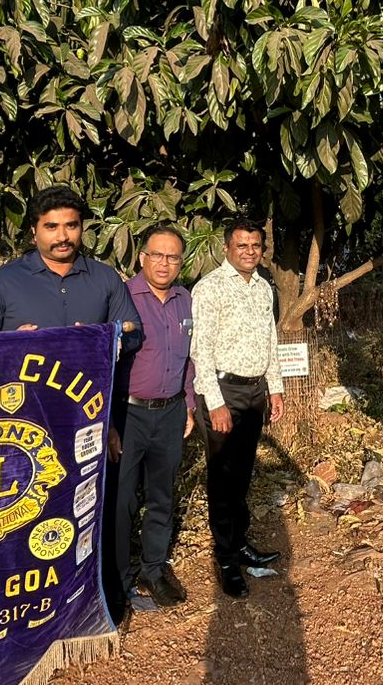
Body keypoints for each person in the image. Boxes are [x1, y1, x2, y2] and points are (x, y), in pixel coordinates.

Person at [190, 218, 285, 599]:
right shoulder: (209, 289)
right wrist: (215, 403)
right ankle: (226, 557)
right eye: (242, 246)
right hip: (223, 390)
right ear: (227, 248)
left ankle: (240, 542)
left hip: (255, 390)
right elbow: (201, 351)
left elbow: (270, 339)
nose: (250, 252)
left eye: (256, 246)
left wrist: (275, 389)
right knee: (223, 477)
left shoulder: (263, 287)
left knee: (243, 473)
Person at [114, 225, 197, 611]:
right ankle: (118, 579)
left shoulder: (185, 300)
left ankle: (153, 568)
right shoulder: (122, 298)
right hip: (128, 415)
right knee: (123, 500)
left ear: (181, 262)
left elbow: (190, 359)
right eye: (157, 255)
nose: (165, 263)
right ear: (142, 257)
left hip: (171, 413)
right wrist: (109, 422)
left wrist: (190, 404)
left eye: (173, 256)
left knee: (162, 497)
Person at [0, 184, 142, 347]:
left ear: (81, 227)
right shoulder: (2, 280)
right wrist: (10, 342)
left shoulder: (105, 277)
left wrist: (100, 338)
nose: (62, 237)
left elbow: (134, 335)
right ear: (34, 230)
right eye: (51, 227)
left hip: (88, 385)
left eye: (71, 226)